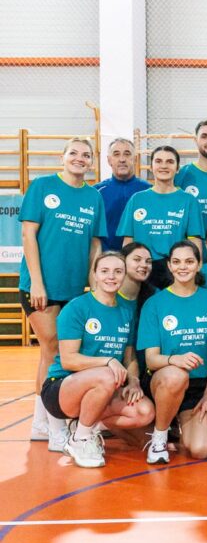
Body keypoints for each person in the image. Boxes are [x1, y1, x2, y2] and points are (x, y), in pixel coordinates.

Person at [21, 137, 107, 443]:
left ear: (92, 162)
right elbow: (28, 234)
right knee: (53, 348)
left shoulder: (93, 197)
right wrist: (37, 282)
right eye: (74, 153)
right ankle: (52, 426)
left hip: (74, 288)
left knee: (60, 352)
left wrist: (95, 286)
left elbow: (95, 244)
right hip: (41, 287)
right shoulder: (42, 187)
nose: (80, 158)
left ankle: (42, 423)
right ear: (62, 157)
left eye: (86, 155)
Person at [39, 251, 155, 467]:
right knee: (106, 375)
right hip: (61, 388)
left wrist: (134, 381)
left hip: (105, 388)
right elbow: (69, 360)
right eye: (104, 271)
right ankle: (80, 440)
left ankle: (85, 426)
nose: (111, 276)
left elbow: (129, 356)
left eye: (118, 271)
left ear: (124, 275)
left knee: (144, 412)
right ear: (94, 275)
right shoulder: (77, 307)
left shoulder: (126, 311)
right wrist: (108, 360)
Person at [137, 241, 207, 463]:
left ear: (199, 265)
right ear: (169, 266)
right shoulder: (154, 304)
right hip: (164, 381)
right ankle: (159, 437)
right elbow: (151, 360)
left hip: (198, 386)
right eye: (176, 262)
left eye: (189, 261)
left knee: (200, 450)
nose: (182, 267)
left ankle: (178, 422)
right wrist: (176, 360)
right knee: (176, 375)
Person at [117, 145, 204, 287]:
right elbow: (128, 241)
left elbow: (195, 240)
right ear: (151, 167)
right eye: (158, 161)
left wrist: (195, 271)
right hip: (143, 270)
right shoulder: (137, 199)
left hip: (175, 270)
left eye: (170, 162)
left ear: (177, 168)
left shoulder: (188, 200)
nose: (164, 166)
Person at [95, 137, 151, 251]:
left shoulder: (148, 191)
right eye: (116, 154)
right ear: (109, 160)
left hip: (139, 257)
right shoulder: (97, 192)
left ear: (135, 159)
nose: (122, 159)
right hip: (107, 257)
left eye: (127, 154)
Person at [119, 242, 157, 319]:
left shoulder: (155, 295)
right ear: (122, 261)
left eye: (148, 261)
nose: (144, 265)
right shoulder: (107, 293)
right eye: (137, 259)